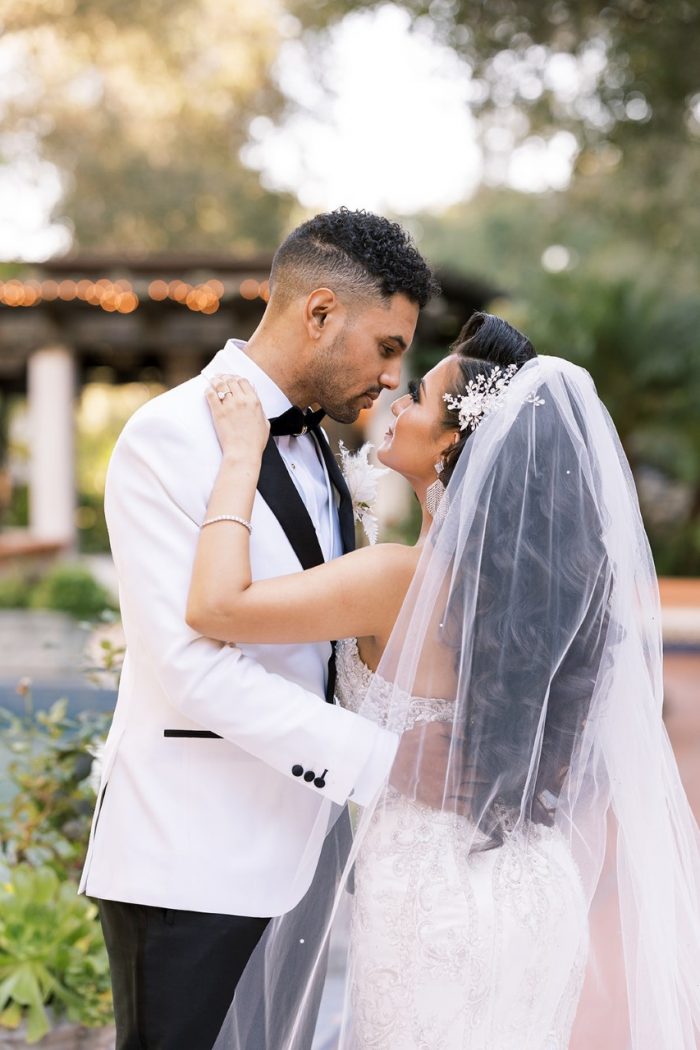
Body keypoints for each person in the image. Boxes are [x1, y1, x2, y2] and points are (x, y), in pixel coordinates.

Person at [188, 312, 700, 1049]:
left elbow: (216, 608)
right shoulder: (546, 597)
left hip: (427, 895)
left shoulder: (396, 578)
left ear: (455, 441)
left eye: (419, 396)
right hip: (535, 887)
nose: (397, 402)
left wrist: (241, 458)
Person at [79, 208, 449, 1050]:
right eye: (388, 347)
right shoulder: (165, 439)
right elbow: (194, 670)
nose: (395, 377)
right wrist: (388, 764)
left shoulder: (320, 446)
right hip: (191, 861)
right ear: (319, 313)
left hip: (309, 848)